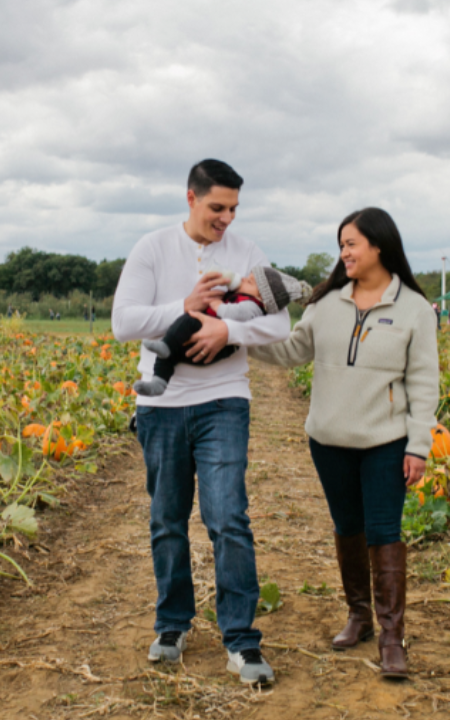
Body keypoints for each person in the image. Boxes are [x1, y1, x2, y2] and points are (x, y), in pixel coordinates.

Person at [112, 159, 288, 686]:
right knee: (167, 520)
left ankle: (240, 640)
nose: (226, 219)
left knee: (228, 516)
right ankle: (172, 623)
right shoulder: (152, 248)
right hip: (161, 407)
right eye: (217, 207)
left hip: (223, 399)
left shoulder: (248, 254)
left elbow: (279, 321)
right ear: (190, 198)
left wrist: (225, 332)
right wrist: (183, 308)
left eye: (234, 208)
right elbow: (124, 321)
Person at [250, 207, 437, 680]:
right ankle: (359, 617)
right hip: (328, 439)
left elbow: (423, 382)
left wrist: (418, 446)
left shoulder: (414, 308)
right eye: (342, 245)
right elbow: (293, 350)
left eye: (351, 243)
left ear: (379, 246)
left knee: (384, 531)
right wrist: (239, 337)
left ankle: (392, 638)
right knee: (347, 526)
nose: (344, 253)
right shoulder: (326, 302)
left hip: (385, 441)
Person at [134, 266, 307, 397]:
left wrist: (217, 305)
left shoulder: (252, 306)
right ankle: (159, 382)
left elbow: (233, 313)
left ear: (262, 297)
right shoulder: (242, 295)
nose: (244, 279)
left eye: (249, 282)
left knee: (185, 322)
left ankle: (165, 346)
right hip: (205, 337)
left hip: (216, 346)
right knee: (170, 356)